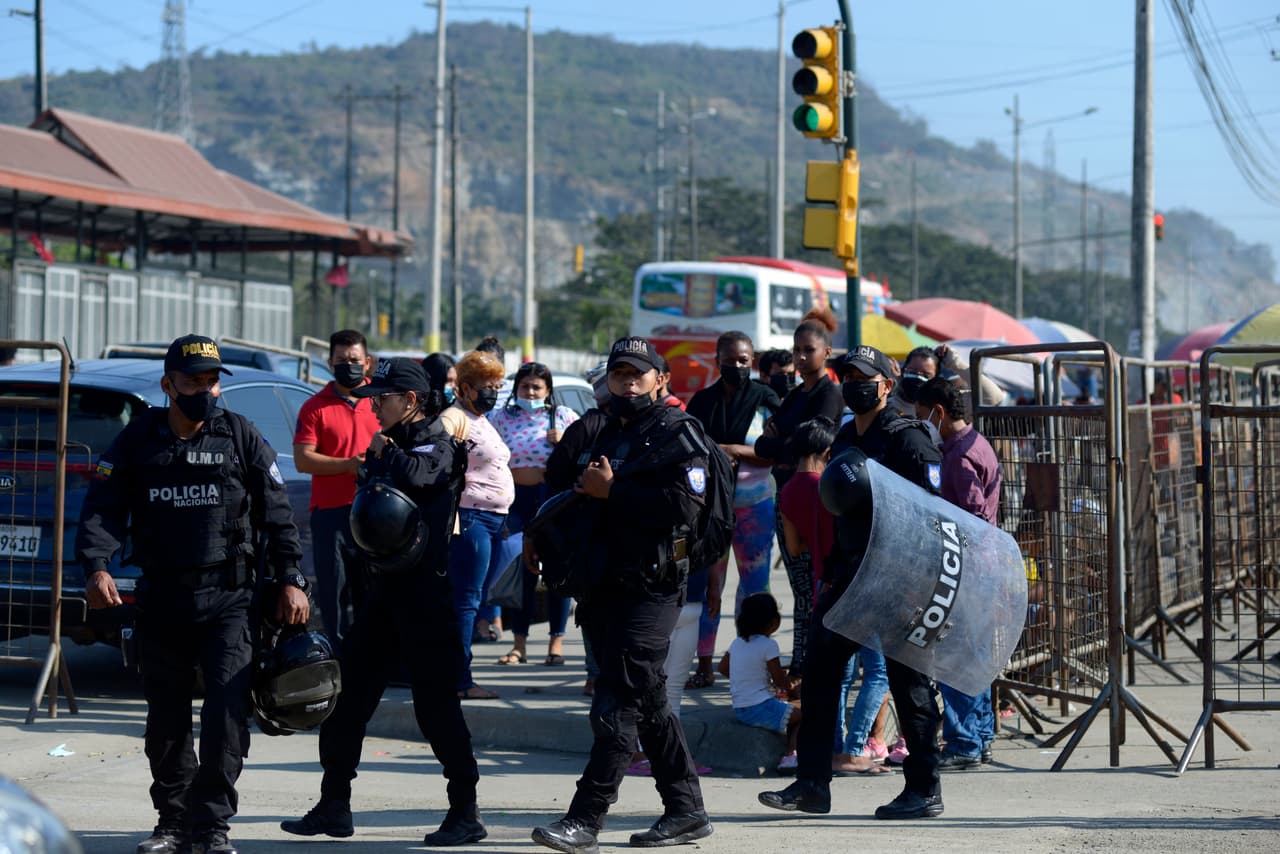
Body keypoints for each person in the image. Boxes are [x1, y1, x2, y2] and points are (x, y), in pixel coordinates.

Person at [76, 335, 308, 854]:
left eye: (211, 381)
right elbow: (102, 508)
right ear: (168, 385)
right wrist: (96, 566)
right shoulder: (138, 441)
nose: (205, 390)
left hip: (229, 598)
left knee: (227, 715)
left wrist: (292, 578)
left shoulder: (240, 435)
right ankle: (174, 823)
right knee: (166, 720)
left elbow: (277, 512)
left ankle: (211, 826)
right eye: (192, 382)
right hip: (162, 598)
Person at [281, 357, 486, 847]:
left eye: (382, 398)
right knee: (347, 700)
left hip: (426, 598)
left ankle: (465, 812)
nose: (372, 406)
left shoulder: (437, 442)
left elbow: (423, 476)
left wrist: (381, 452)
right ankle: (334, 805)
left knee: (435, 709)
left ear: (410, 402)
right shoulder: (390, 444)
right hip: (383, 592)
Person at [529, 337, 712, 853]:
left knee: (615, 704)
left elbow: (685, 509)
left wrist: (616, 493)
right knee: (649, 701)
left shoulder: (680, 434)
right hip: (604, 584)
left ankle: (585, 819)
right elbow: (566, 487)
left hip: (653, 589)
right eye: (619, 375)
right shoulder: (602, 430)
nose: (628, 383)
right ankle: (686, 809)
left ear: (660, 380)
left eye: (638, 374)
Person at [759, 343, 946, 821]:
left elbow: (934, 516)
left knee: (911, 685)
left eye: (865, 377)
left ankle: (924, 788)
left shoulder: (910, 441)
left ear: (887, 384)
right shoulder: (843, 441)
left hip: (899, 581)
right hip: (848, 580)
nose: (855, 384)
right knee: (821, 676)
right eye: (849, 377)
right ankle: (812, 785)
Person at [684, 331, 780, 688]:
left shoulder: (766, 401)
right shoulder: (702, 402)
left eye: (744, 361)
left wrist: (733, 450)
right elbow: (691, 448)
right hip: (712, 508)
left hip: (755, 506)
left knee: (755, 587)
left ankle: (749, 662)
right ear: (717, 359)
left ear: (752, 362)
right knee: (711, 586)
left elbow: (776, 450)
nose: (738, 366)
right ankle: (705, 663)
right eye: (731, 359)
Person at [752, 308, 844, 678]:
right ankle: (803, 661)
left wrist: (782, 440)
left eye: (809, 350)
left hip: (813, 497)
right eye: (797, 351)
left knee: (813, 585)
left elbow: (811, 441)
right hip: (787, 496)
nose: (802, 357)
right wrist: (783, 441)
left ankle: (808, 664)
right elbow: (763, 444)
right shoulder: (793, 396)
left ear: (826, 352)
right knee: (800, 586)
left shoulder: (829, 394)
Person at [915, 376, 1001, 769]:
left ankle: (965, 741)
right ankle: (979, 734)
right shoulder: (975, 443)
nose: (922, 423)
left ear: (939, 412)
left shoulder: (960, 456)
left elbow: (973, 513)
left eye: (923, 415)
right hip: (982, 567)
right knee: (975, 654)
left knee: (955, 656)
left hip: (967, 568)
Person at [488, 362, 580, 666]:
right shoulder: (501, 419)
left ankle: (556, 643)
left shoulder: (564, 417)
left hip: (552, 502)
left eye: (536, 387)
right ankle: (519, 645)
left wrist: (563, 444)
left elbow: (582, 457)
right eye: (525, 386)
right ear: (516, 390)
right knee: (520, 569)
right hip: (515, 502)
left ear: (548, 391)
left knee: (557, 571)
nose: (530, 392)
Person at [292, 329, 380, 642]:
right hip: (331, 515)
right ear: (330, 362)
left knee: (373, 595)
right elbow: (303, 460)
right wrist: (348, 465)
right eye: (341, 360)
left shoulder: (383, 401)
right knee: (335, 595)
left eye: (354, 360)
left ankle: (377, 665)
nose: (348, 365)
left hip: (377, 515)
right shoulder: (314, 407)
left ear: (367, 362)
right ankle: (342, 663)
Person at [439, 349, 512, 698]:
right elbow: (437, 450)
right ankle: (459, 680)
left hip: (494, 519)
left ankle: (457, 675)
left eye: (496, 385)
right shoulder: (455, 417)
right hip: (471, 519)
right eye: (486, 385)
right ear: (465, 388)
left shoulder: (482, 420)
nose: (492, 392)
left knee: (476, 597)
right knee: (466, 600)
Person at [717, 593, 802, 773]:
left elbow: (723, 668)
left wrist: (746, 677)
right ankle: (791, 754)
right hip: (760, 708)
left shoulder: (737, 642)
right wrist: (793, 683)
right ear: (772, 621)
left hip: (741, 709)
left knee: (794, 708)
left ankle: (791, 751)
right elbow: (781, 682)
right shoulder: (768, 644)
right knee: (807, 711)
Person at [889, 345, 1006, 417]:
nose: (917, 377)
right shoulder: (888, 403)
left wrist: (955, 363)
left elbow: (992, 398)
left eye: (926, 374)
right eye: (912, 371)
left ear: (936, 379)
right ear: (903, 370)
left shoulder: (946, 404)